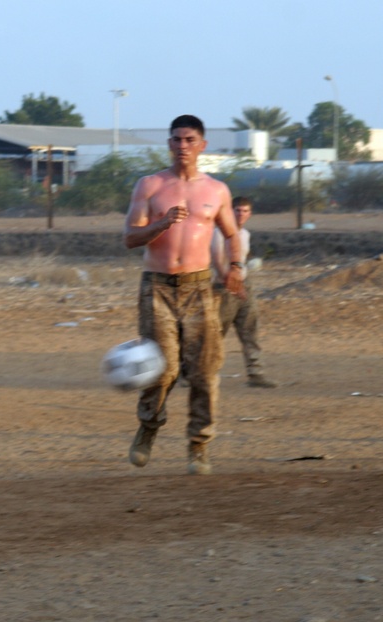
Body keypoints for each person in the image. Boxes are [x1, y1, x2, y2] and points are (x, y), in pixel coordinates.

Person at [122, 114, 245, 476]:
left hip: (199, 287)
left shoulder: (216, 191)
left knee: (205, 371)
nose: (182, 146)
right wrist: (161, 224)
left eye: (190, 140)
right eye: (176, 140)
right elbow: (130, 237)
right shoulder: (150, 186)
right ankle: (148, 426)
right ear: (169, 145)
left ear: (202, 145)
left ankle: (199, 446)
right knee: (162, 370)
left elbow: (232, 234)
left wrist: (236, 267)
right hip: (157, 286)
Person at [210, 196, 277, 389]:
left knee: (250, 330)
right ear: (230, 211)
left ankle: (256, 373)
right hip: (222, 289)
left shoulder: (245, 234)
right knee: (214, 334)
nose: (241, 214)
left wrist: (241, 283)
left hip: (243, 285)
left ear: (250, 214)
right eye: (237, 210)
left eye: (245, 211)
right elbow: (216, 260)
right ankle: (192, 373)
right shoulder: (219, 233)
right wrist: (230, 284)